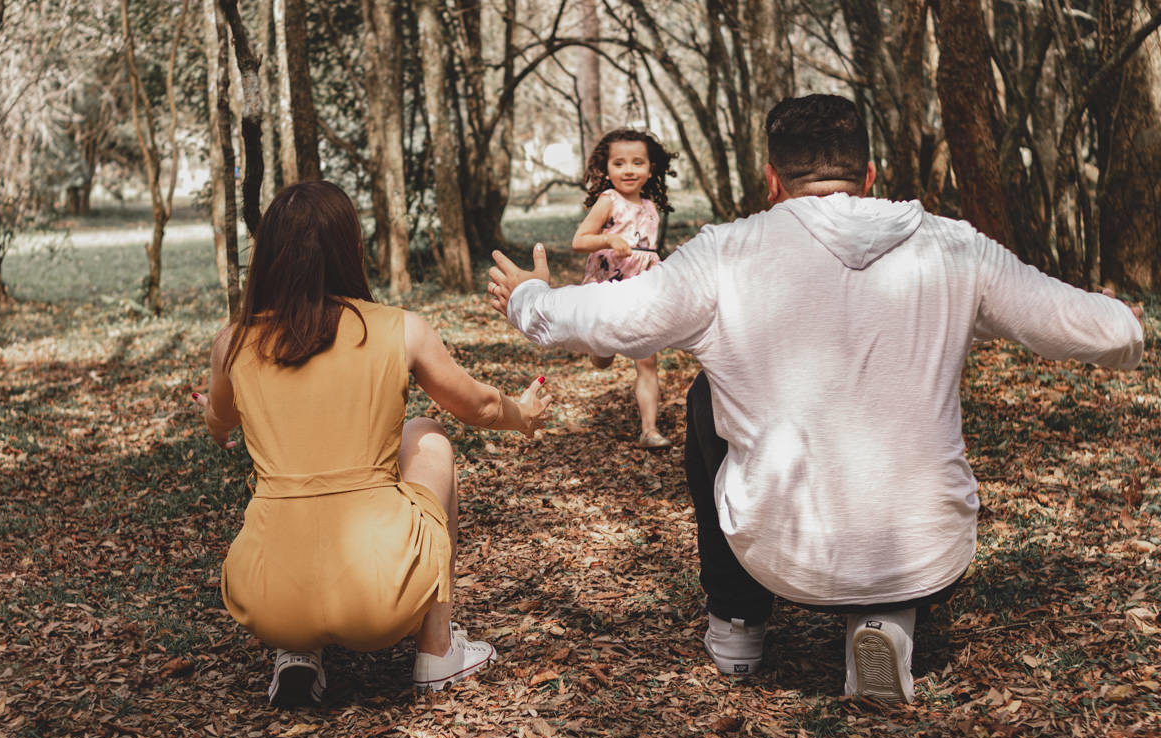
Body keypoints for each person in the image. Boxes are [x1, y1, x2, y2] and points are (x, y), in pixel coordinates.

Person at [487, 95, 1144, 704]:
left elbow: (609, 319)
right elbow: (1095, 327)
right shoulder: (953, 247)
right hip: (930, 554)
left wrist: (528, 299)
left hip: (781, 553)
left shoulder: (728, 252)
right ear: (872, 173)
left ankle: (739, 629)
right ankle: (885, 621)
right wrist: (1124, 325)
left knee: (707, 398)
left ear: (772, 180)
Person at [194, 181, 552, 706]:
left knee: (286, 481)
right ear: (352, 249)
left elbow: (218, 423)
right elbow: (479, 407)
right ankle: (436, 651)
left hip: (267, 598)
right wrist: (524, 416)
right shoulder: (400, 330)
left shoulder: (234, 341)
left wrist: (216, 416)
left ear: (267, 255)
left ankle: (297, 652)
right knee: (426, 434)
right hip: (381, 593)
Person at [571, 128, 678, 449]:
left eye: (637, 163)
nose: (629, 170)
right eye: (619, 163)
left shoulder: (650, 207)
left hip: (641, 292)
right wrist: (608, 239)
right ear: (607, 169)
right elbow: (579, 241)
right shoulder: (608, 201)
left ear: (651, 168)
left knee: (647, 360)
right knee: (603, 358)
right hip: (607, 288)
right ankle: (599, 349)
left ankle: (649, 430)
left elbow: (647, 250)